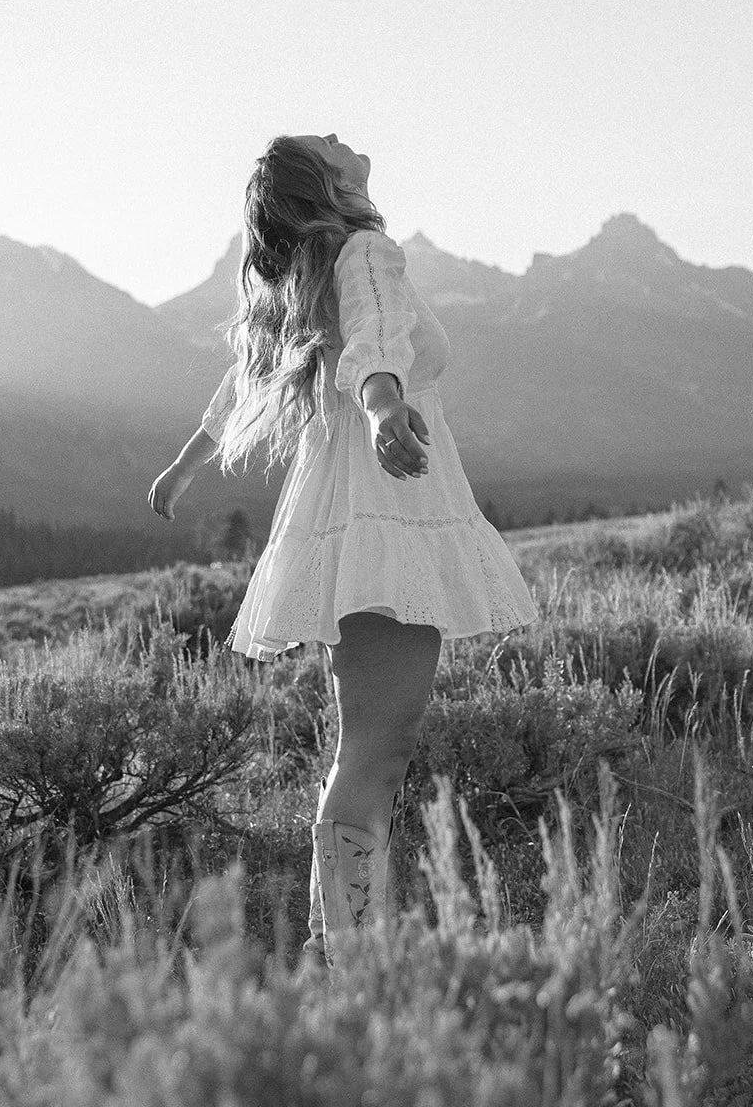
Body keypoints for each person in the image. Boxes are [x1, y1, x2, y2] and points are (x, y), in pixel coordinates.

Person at [147, 133, 539, 978]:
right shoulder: (365, 250)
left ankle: (347, 946)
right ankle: (349, 956)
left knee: (370, 742)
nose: (343, 136)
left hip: (349, 509)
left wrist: (188, 463)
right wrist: (382, 412)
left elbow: (247, 376)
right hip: (383, 507)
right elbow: (370, 347)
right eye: (327, 144)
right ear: (327, 182)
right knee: (376, 745)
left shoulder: (318, 269)